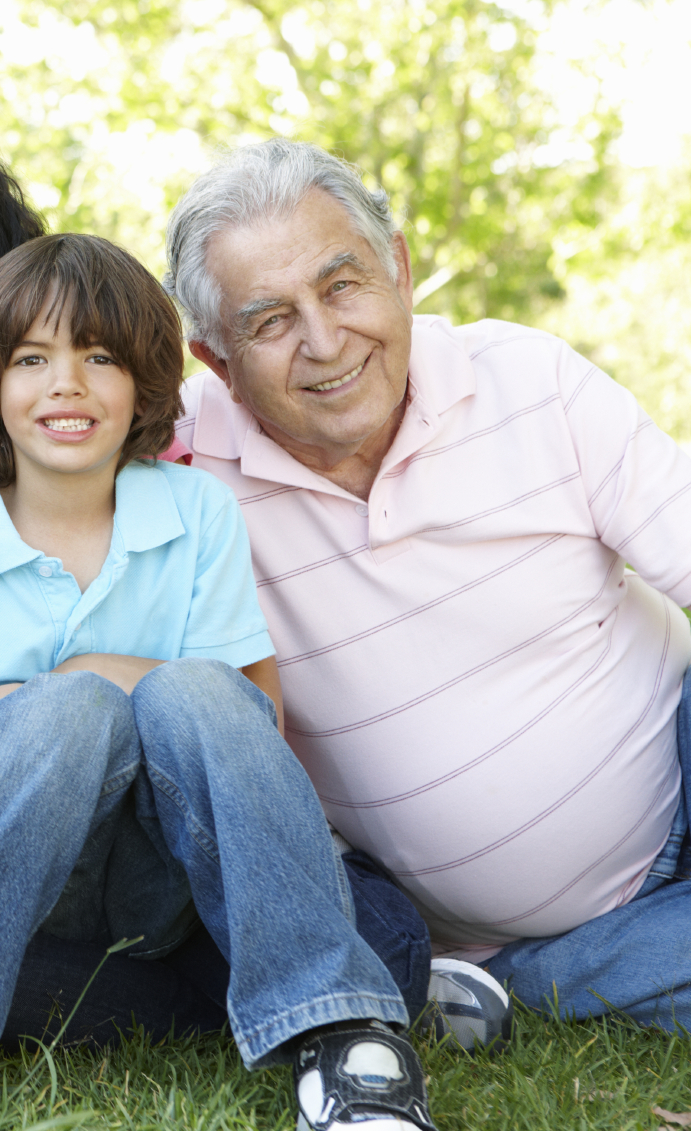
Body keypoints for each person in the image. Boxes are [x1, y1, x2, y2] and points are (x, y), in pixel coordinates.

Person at [0, 91, 436, 1053]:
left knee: (383, 936)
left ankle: (275, 994)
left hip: (171, 852)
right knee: (363, 950)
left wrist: (76, 682)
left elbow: (235, 710)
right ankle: (243, 1000)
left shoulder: (165, 484)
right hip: (9, 859)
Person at [164, 140, 691, 1033]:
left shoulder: (529, 379)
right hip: (458, 915)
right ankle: (561, 971)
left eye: (342, 286)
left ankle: (538, 984)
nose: (325, 342)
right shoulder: (177, 471)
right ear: (217, 360)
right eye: (270, 321)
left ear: (399, 268)